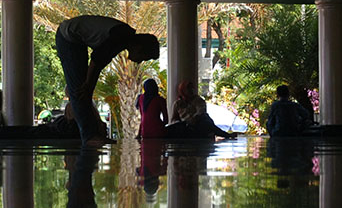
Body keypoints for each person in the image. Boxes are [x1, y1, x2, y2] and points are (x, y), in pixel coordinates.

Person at [55, 15, 159, 147]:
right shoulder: (120, 37)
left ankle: (92, 134)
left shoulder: (123, 37)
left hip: (75, 39)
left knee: (84, 89)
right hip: (67, 38)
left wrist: (89, 86)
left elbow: (98, 63)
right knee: (78, 89)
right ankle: (89, 136)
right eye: (143, 57)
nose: (139, 61)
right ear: (139, 47)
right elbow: (97, 61)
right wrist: (87, 85)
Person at [166, 80, 235, 139]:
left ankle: (224, 134)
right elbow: (174, 119)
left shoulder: (199, 100)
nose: (191, 90)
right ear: (183, 90)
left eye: (192, 88)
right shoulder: (178, 103)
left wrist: (193, 120)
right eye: (188, 88)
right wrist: (181, 123)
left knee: (206, 119)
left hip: (198, 124)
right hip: (185, 127)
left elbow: (201, 112)